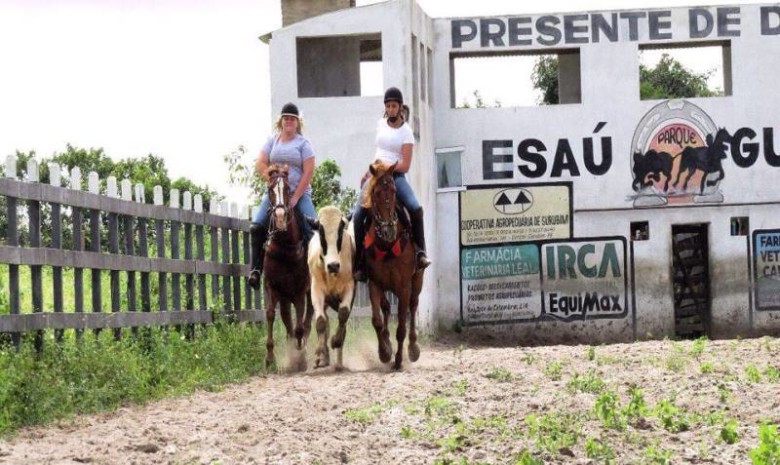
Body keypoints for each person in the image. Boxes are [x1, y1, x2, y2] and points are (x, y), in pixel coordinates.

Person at [352, 87, 431, 282]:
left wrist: (385, 168)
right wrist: (368, 170)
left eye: (394, 105)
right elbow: (379, 151)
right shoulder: (380, 124)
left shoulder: (407, 133)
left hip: (395, 176)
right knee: (358, 215)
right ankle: (360, 261)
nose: (390, 109)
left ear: (400, 107)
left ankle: (420, 253)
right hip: (375, 175)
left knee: (415, 208)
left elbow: (405, 164)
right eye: (387, 105)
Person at [248, 102, 316, 289]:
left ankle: (316, 273)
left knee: (313, 229)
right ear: (281, 121)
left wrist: (295, 197)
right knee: (256, 226)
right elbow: (260, 162)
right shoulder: (273, 140)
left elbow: (308, 171)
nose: (288, 121)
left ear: (297, 122)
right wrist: (270, 176)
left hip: (297, 194)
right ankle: (255, 270)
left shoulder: (303, 143)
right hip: (275, 194)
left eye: (292, 119)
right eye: (286, 118)